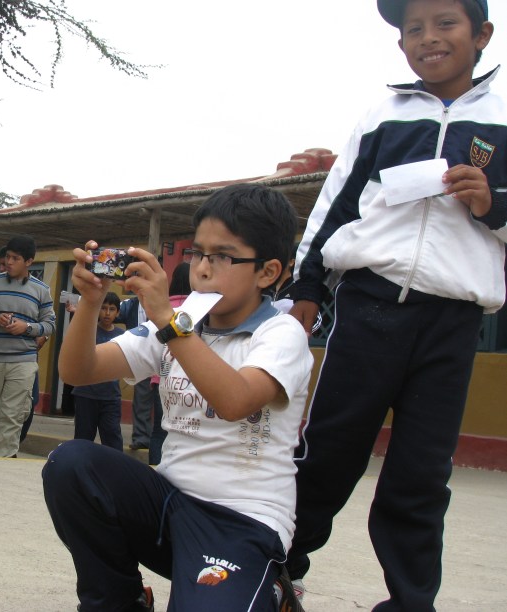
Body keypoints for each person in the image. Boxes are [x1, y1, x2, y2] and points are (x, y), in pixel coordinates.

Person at [285, 1, 504, 609]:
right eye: (413, 29)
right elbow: (336, 205)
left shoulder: (505, 115)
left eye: (446, 24)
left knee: (420, 474)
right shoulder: (382, 115)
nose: (428, 38)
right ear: (401, 43)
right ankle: (277, 568)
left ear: (482, 34)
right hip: (370, 307)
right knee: (329, 450)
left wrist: (495, 203)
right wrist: (307, 287)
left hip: (453, 321)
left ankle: (411, 601)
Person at [43, 184, 312, 611]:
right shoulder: (180, 325)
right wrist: (90, 303)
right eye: (197, 253)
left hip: (239, 522)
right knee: (71, 465)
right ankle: (117, 601)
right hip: (167, 508)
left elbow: (236, 400)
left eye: (222, 256)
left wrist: (169, 321)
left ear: (268, 271)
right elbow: (79, 371)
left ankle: (272, 590)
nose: (202, 268)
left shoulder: (281, 334)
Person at [0, 235, 56, 458]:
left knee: (12, 414)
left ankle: (2, 461)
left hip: (23, 361)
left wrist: (25, 327)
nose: (8, 262)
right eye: (7, 257)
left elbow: (50, 324)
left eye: (15, 258)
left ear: (28, 261)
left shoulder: (41, 289)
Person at [148, 261, 191, 465]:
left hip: (159, 378)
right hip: (188, 381)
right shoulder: (196, 309)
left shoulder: (162, 307)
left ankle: (156, 467)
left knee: (159, 429)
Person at [71, 292, 125, 451]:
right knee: (82, 440)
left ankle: (114, 474)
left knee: (113, 441)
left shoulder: (123, 336)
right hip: (85, 394)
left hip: (111, 397)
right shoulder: (88, 331)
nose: (107, 313)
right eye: (104, 308)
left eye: (112, 309)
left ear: (118, 313)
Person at [116, 295, 155, 450]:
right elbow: (110, 311)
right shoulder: (130, 304)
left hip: (163, 359)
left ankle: (160, 437)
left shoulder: (161, 300)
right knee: (141, 400)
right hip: (141, 360)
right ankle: (141, 437)